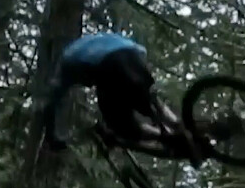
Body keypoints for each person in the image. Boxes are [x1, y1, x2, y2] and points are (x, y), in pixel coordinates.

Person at [41, 32, 203, 166]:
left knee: (121, 126)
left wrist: (52, 136)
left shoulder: (67, 65)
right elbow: (139, 51)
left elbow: (51, 103)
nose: (87, 85)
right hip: (131, 53)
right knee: (149, 99)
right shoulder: (92, 42)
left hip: (109, 66)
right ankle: (176, 125)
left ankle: (166, 136)